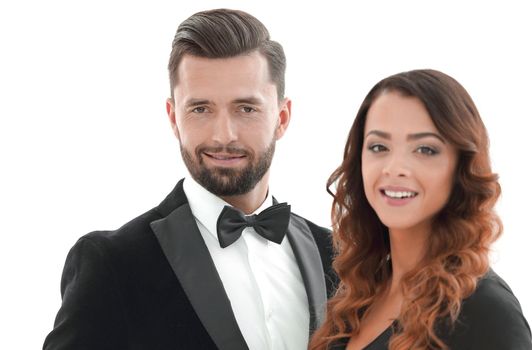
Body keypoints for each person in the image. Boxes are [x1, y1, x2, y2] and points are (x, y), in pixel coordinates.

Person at [43, 9, 335, 350]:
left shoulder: (340, 257)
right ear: (173, 118)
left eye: (246, 108)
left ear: (282, 118)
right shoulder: (112, 264)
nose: (223, 134)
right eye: (200, 109)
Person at [309, 69, 532, 349]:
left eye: (425, 149)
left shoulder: (485, 310)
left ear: (460, 166)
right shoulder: (359, 294)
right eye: (379, 146)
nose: (395, 168)